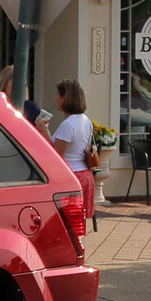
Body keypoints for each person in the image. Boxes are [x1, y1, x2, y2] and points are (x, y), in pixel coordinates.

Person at [50, 79, 97, 227]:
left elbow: (56, 156)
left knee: (68, 225)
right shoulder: (86, 120)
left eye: (58, 94)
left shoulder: (68, 124)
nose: (56, 98)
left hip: (71, 177)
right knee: (78, 225)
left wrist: (44, 133)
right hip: (84, 174)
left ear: (66, 97)